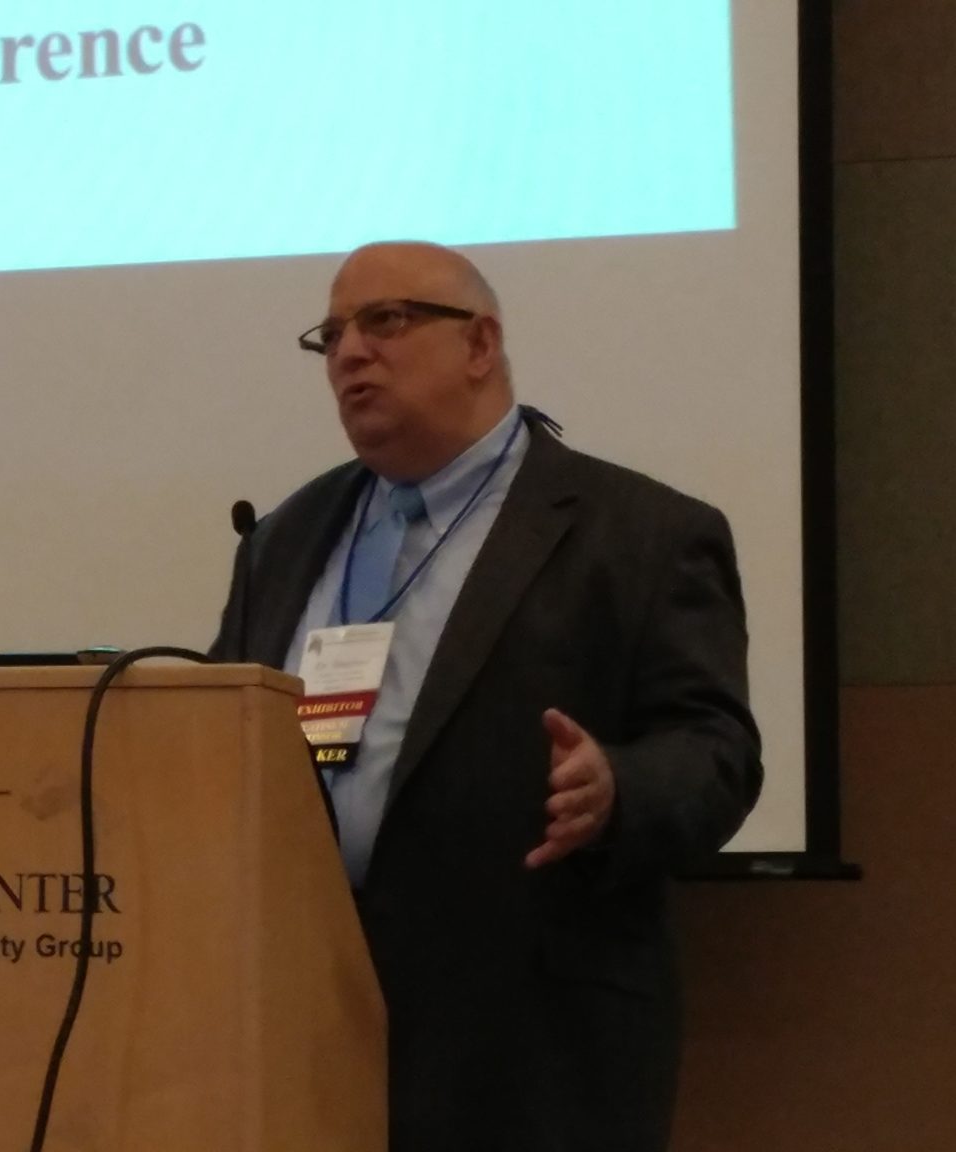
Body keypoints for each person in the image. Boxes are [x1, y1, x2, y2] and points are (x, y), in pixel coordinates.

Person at [210, 241, 762, 1152]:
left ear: (480, 344)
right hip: (298, 1022)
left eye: (386, 321)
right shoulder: (286, 536)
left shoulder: (642, 533)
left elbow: (716, 751)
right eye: (333, 335)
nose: (350, 353)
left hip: (527, 1043)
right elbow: (221, 728)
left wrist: (618, 786)